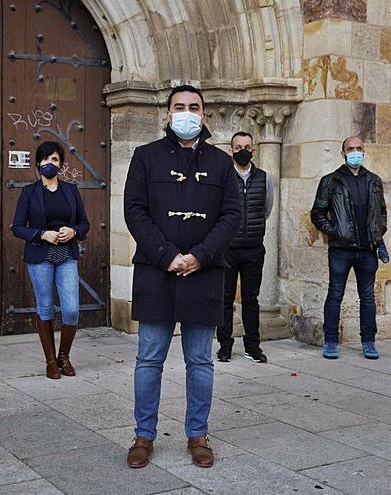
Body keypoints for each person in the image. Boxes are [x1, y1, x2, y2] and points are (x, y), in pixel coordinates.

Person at [123, 84, 242, 469]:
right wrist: (168, 255)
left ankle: (197, 434)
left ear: (204, 115)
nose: (186, 113)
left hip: (203, 273)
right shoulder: (145, 158)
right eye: (179, 106)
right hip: (157, 271)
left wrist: (200, 256)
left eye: (194, 107)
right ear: (167, 113)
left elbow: (232, 216)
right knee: (149, 358)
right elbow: (134, 210)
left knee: (200, 360)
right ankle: (144, 435)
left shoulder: (222, 164)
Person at [11, 141, 90, 379]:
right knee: (45, 306)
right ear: (38, 163)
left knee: (71, 309)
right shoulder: (29, 192)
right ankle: (50, 361)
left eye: (54, 160)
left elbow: (85, 223)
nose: (49, 164)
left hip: (66, 255)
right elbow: (17, 227)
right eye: (45, 160)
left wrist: (74, 231)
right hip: (40, 255)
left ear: (61, 164)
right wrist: (41, 234)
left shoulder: (71, 190)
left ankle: (64, 356)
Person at [309, 136, 387, 360]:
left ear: (364, 151)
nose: (355, 152)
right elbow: (318, 213)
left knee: (368, 297)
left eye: (359, 148)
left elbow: (382, 213)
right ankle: (331, 341)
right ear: (343, 153)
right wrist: (335, 232)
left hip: (368, 249)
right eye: (350, 149)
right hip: (341, 250)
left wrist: (378, 232)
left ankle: (369, 341)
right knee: (335, 295)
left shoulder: (374, 180)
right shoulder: (330, 181)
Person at [216, 131, 274, 363]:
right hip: (227, 249)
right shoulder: (223, 177)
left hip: (253, 249)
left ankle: (252, 346)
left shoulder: (265, 178)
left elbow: (266, 209)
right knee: (225, 299)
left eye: (247, 147)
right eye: (238, 147)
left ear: (254, 150)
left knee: (251, 299)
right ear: (231, 150)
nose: (243, 151)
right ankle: (225, 346)